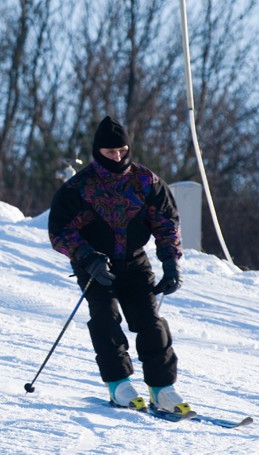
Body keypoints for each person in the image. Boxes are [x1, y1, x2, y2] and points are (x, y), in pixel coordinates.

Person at [48, 116, 189, 414]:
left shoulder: (146, 182)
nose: (118, 156)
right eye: (111, 152)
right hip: (95, 263)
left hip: (134, 259)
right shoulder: (79, 188)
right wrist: (87, 257)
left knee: (150, 320)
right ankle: (119, 384)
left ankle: (162, 388)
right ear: (98, 151)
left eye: (122, 150)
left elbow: (166, 225)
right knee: (105, 317)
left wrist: (171, 263)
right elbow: (60, 230)